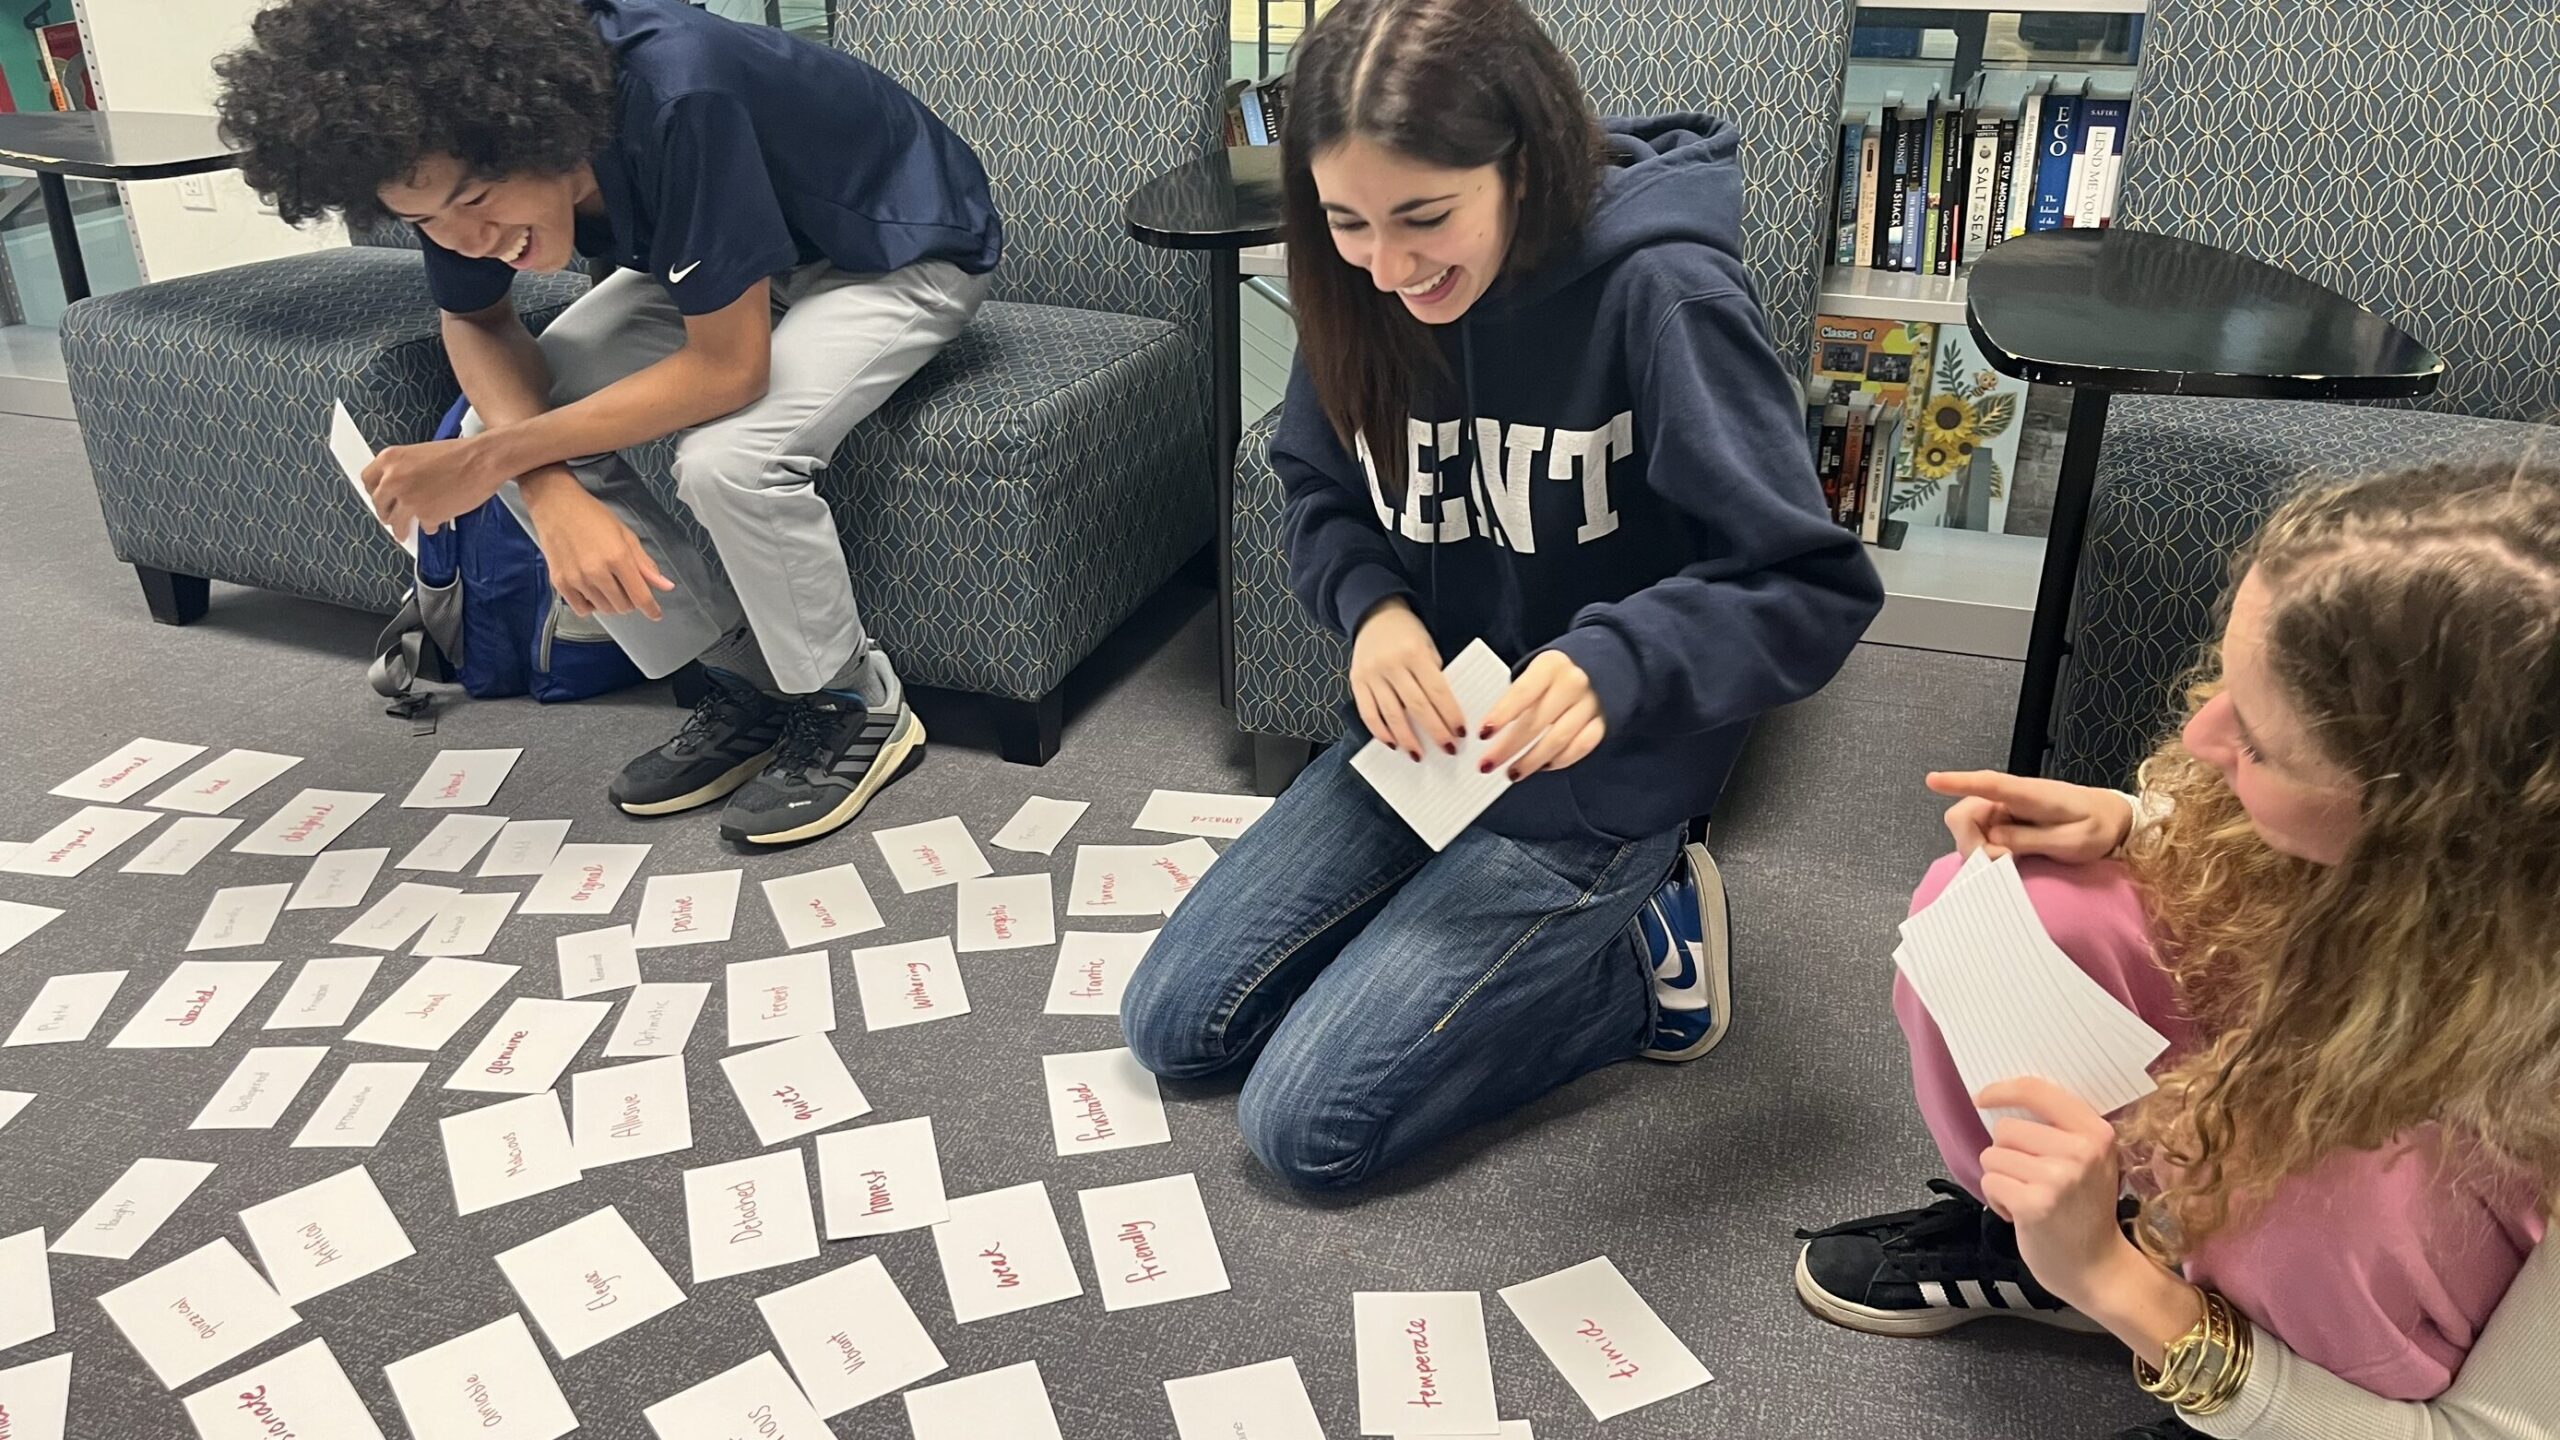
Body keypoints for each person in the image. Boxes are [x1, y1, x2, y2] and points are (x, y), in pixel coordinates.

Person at [1118, 0, 1882, 1190]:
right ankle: (1465, 936)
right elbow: (1314, 483)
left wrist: (1618, 662)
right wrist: (1371, 610)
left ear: (1524, 165)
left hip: (1595, 774)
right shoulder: (1359, 274)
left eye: (1425, 217)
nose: (1388, 265)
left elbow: (1807, 584)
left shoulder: (1662, 291)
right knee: (1173, 1027)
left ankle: (1643, 963)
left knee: (1304, 1128)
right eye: (1347, 223)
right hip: (1434, 738)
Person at [1796, 458, 2559, 1439]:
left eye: (2260, 742)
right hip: (2393, 961)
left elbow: (2492, 1433)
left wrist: (2120, 1289)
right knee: (2025, 908)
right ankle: (2075, 1244)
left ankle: (2229, 1349)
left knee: (2317, 1184)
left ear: (2434, 822)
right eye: (2228, 682)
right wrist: (2135, 821)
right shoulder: (2486, 849)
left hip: (2440, 1313)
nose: (2199, 738)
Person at [214, 0, 1001, 844]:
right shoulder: (437, 150)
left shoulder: (679, 93)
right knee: (495, 429)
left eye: (477, 201)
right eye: (424, 223)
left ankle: (855, 702)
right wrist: (547, 491)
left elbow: (730, 369)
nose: (465, 239)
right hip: (725, 260)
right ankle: (749, 681)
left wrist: (496, 464)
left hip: (887, 253)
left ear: (546, 133)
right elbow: (477, 323)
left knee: (729, 459)